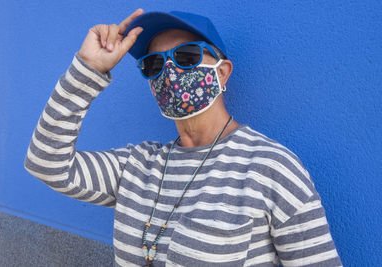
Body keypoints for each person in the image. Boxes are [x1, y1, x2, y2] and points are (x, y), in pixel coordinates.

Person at [24, 8, 343, 267]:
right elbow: (47, 164)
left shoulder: (270, 168)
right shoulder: (137, 166)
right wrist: (88, 69)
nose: (170, 70)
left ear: (222, 72)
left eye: (187, 55)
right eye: (153, 64)